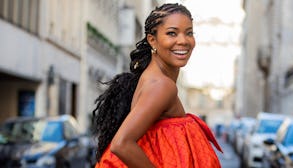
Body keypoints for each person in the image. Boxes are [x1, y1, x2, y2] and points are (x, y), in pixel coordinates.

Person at [93, 3, 222, 168]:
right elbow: (121, 144)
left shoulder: (154, 80)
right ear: (152, 40)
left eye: (189, 33)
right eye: (172, 33)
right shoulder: (161, 85)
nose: (183, 40)